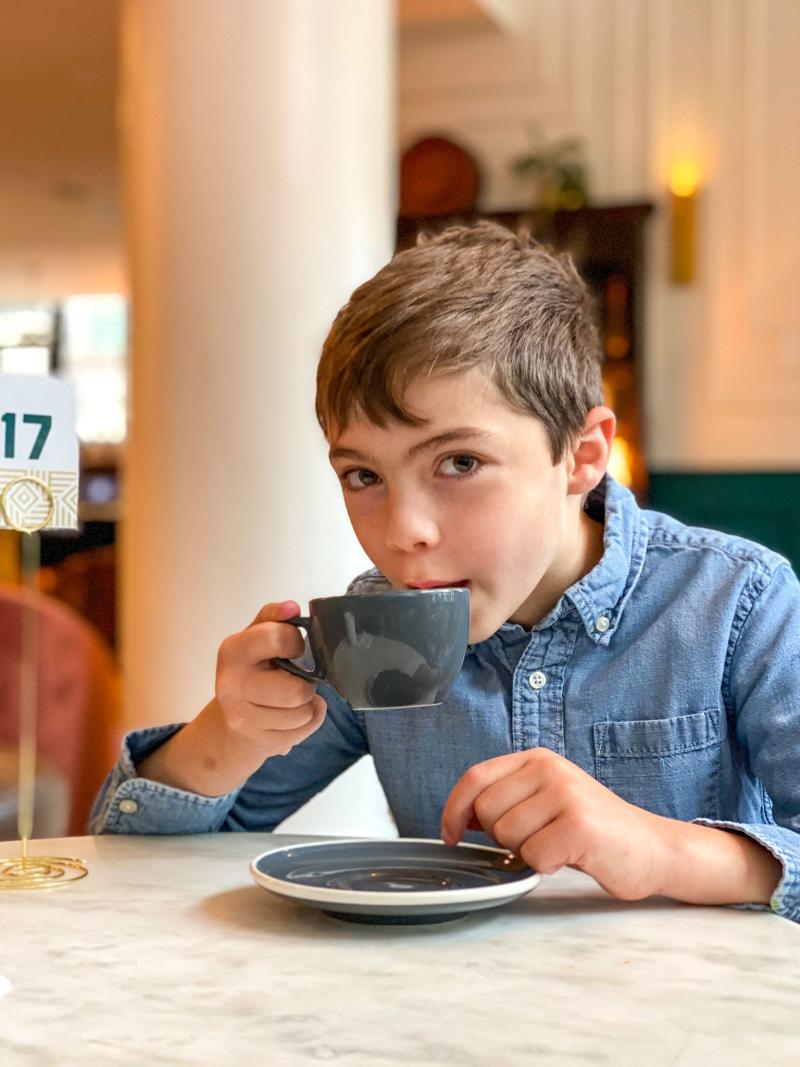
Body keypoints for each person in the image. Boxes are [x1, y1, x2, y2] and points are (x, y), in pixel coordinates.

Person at [91, 222, 799, 922]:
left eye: (459, 462)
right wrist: (231, 732)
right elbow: (130, 863)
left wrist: (664, 849)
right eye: (364, 474)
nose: (403, 532)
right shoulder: (375, 629)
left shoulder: (738, 603)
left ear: (583, 456)